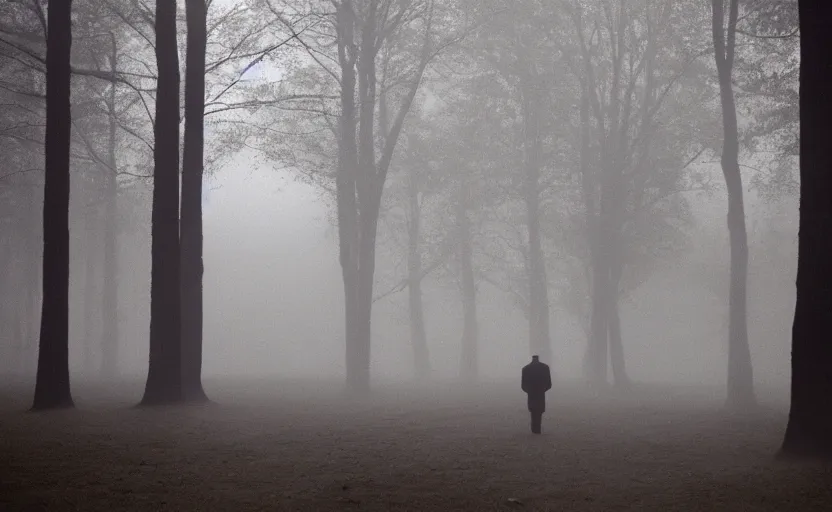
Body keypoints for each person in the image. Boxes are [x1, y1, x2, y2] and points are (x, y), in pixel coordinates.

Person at [521, 355, 552, 434]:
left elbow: (523, 385)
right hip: (540, 393)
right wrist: (542, 390)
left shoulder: (526, 369)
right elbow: (549, 384)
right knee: (539, 410)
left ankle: (534, 428)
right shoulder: (545, 368)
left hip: (531, 393)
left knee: (533, 410)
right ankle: (537, 428)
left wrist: (529, 391)